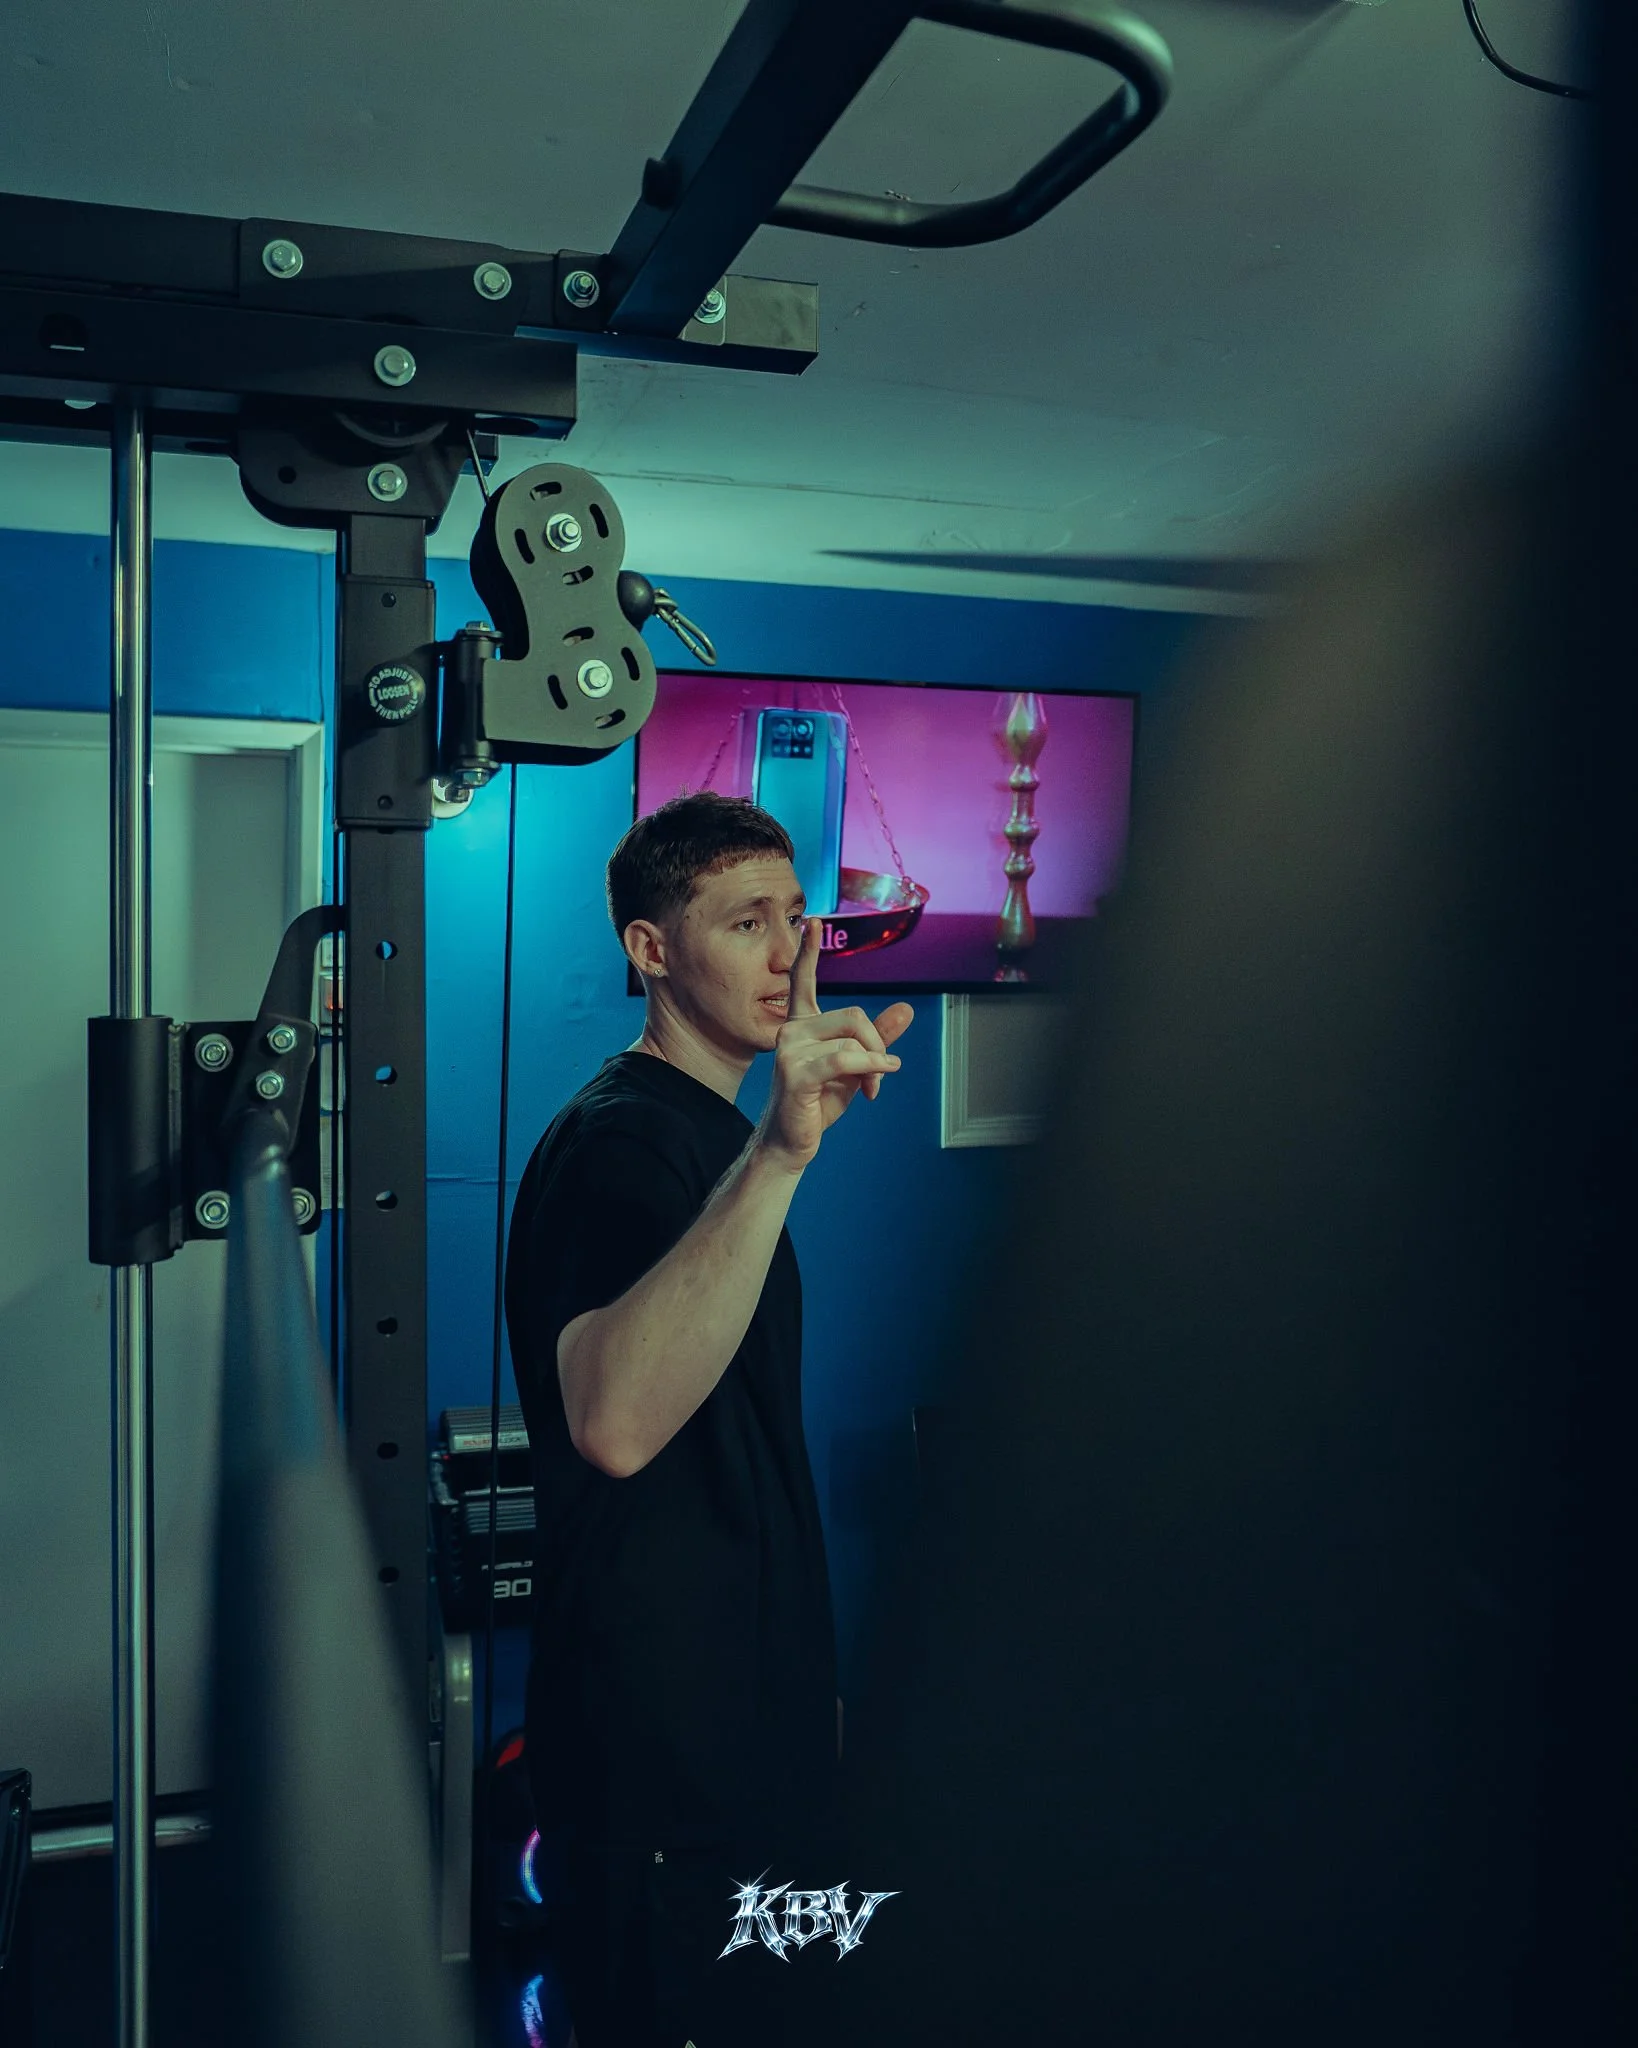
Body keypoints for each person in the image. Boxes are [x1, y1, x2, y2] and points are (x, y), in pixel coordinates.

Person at [504, 791, 913, 2048]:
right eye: (748, 921)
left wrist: (804, 1685)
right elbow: (615, 1419)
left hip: (755, 1742)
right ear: (652, 949)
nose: (793, 951)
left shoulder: (714, 1133)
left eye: (798, 916)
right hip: (661, 1769)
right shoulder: (618, 1142)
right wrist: (785, 1156)